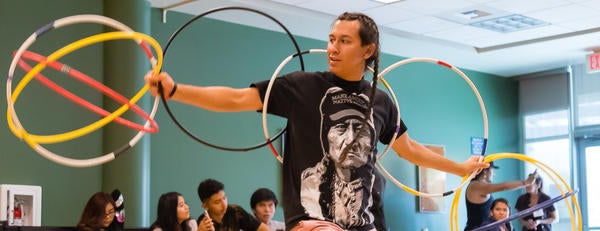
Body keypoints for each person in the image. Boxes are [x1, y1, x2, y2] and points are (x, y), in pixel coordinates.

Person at [145, 12, 487, 231]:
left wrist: (459, 168)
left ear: (368, 50)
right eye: (331, 39)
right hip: (312, 222)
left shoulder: (381, 101)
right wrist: (176, 90)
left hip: (364, 223)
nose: (333, 48)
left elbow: (410, 149)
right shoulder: (302, 87)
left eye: (345, 41)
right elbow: (237, 98)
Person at [464, 164, 537, 231]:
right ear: (486, 171)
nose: (494, 174)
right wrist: (526, 182)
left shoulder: (481, 187)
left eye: (505, 210)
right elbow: (504, 186)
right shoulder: (475, 186)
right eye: (492, 170)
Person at [196, 179, 269, 231]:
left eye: (224, 198)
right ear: (205, 205)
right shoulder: (203, 224)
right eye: (217, 202)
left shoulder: (235, 211)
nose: (224, 205)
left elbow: (263, 229)